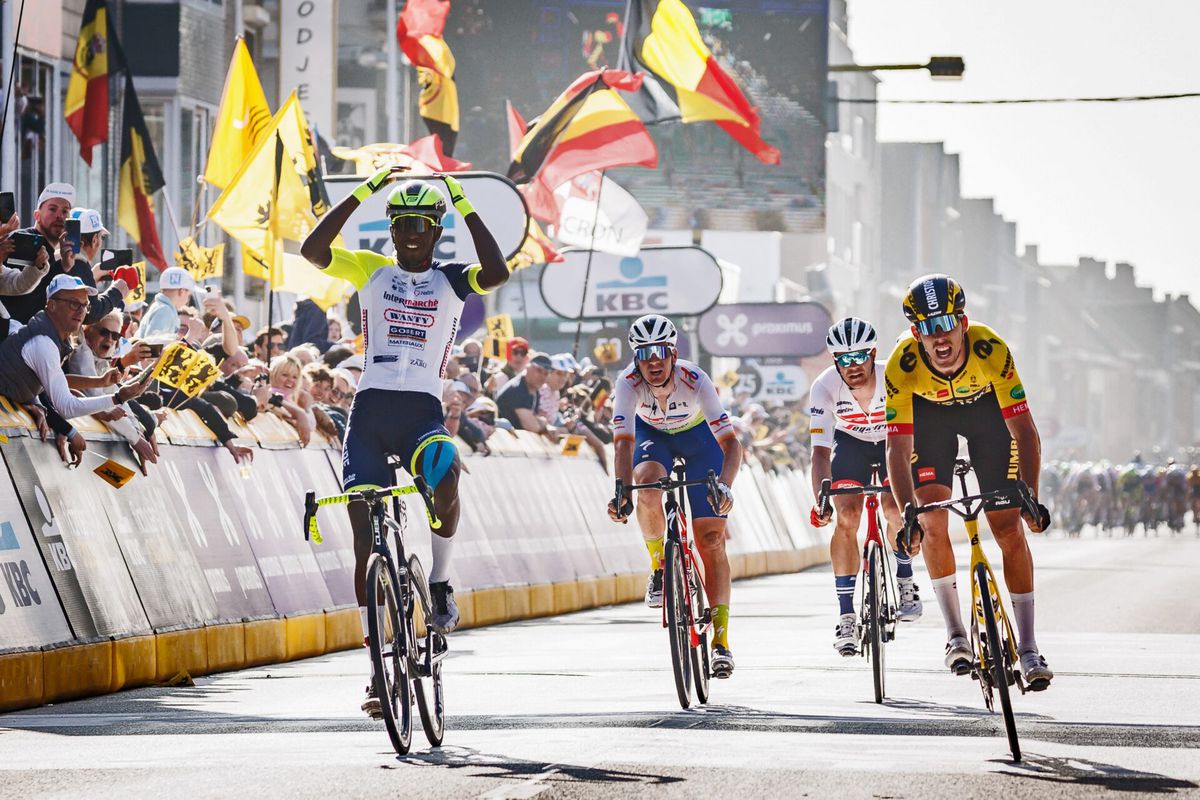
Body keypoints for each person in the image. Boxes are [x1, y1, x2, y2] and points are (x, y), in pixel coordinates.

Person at [301, 168, 510, 718]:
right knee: (364, 540)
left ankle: (439, 583)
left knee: (446, 471)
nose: (410, 233)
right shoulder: (370, 269)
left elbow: (497, 268)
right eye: (399, 225)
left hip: (421, 413)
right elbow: (313, 247)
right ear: (390, 232)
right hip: (369, 413)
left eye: (420, 223)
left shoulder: (452, 280)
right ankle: (375, 672)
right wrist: (367, 193)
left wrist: (459, 198)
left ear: (437, 229)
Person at [884, 274, 1053, 689]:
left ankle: (1029, 647)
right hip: (930, 421)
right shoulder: (901, 365)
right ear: (915, 334)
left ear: (962, 322)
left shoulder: (990, 348)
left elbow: (1025, 433)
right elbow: (897, 450)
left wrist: (1029, 495)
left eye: (944, 325)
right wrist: (908, 513)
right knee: (933, 521)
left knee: (1009, 527)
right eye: (926, 329)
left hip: (987, 418)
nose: (938, 339)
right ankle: (956, 634)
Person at [606, 314, 742, 678]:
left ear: (672, 353)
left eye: (659, 353)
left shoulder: (695, 379)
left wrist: (725, 485)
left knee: (711, 540)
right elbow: (623, 443)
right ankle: (658, 567)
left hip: (701, 442)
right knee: (647, 484)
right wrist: (622, 491)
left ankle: (722, 641)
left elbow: (731, 444)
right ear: (636, 358)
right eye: (644, 354)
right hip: (656, 438)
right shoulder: (628, 382)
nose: (652, 361)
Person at [808, 317, 921, 657]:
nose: (853, 366)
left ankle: (904, 578)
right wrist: (820, 501)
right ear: (835, 361)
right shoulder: (824, 387)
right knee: (847, 516)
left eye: (859, 357)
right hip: (851, 442)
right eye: (844, 359)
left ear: (873, 354)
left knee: (893, 508)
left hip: (893, 441)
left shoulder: (894, 375)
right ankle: (845, 614)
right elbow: (820, 452)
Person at [0, 276, 149, 465]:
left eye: (85, 305)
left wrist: (100, 382)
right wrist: (117, 398)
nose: (81, 311)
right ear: (51, 305)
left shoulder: (49, 336)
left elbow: (53, 381)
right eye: (73, 304)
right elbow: (66, 406)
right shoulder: (44, 343)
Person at [4, 182, 134, 325]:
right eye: (52, 209)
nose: (59, 216)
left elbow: (42, 296)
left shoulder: (59, 255)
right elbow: (18, 292)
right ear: (37, 215)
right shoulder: (22, 241)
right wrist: (117, 291)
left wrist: (64, 267)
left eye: (65, 211)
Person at [495, 353, 560, 441]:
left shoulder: (534, 389)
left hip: (514, 442)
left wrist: (543, 424)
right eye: (539, 371)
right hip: (501, 442)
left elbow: (534, 417)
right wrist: (545, 427)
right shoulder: (518, 389)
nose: (542, 377)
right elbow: (531, 426)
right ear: (527, 367)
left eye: (546, 373)